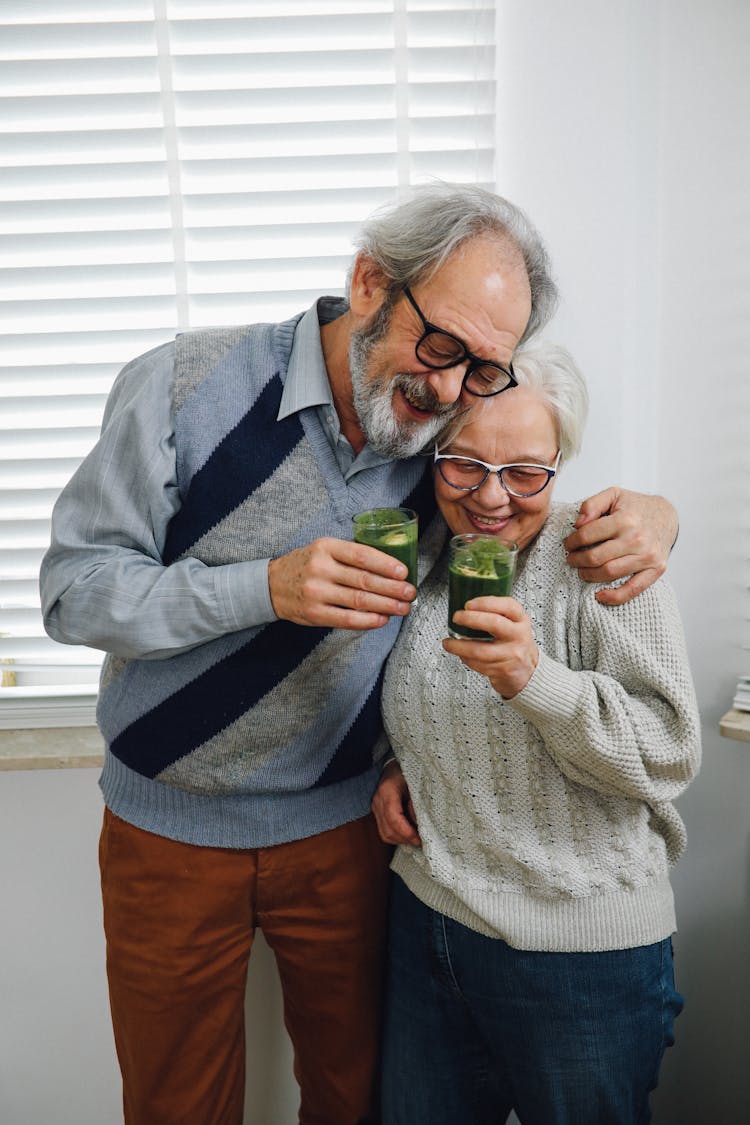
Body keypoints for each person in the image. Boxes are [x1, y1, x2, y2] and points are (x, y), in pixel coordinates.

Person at [40, 183, 678, 1125]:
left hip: (345, 834)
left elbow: (528, 497)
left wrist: (662, 519)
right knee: (176, 1105)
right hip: (166, 830)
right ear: (371, 281)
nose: (454, 389)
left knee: (355, 1101)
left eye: (485, 368)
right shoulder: (183, 383)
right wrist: (264, 586)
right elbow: (74, 590)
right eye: (443, 347)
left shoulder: (445, 440)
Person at [372, 339, 701, 1125]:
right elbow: (413, 697)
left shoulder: (602, 558)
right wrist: (396, 765)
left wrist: (536, 681)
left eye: (525, 472)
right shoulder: (421, 556)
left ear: (559, 463)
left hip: (581, 957)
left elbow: (668, 750)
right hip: (430, 925)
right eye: (465, 465)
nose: (492, 497)